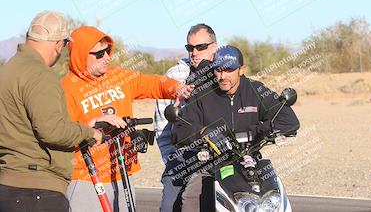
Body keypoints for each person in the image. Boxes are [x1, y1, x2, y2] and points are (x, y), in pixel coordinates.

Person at [60, 26, 193, 212]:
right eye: (99, 54)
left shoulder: (118, 77)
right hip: (86, 177)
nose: (107, 57)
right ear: (81, 55)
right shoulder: (66, 88)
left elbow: (153, 83)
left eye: (108, 51)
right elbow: (61, 132)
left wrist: (177, 88)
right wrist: (93, 123)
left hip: (122, 172)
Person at [0, 11, 114, 212]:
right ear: (58, 44)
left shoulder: (7, 70)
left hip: (8, 185)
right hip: (38, 192)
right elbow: (52, 131)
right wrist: (89, 132)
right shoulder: (40, 75)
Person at [171, 45, 300, 212]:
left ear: (241, 69)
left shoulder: (256, 90)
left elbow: (289, 122)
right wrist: (204, 132)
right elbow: (179, 130)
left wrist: (259, 130)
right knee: (191, 198)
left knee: (276, 199)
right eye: (218, 70)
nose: (223, 76)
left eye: (229, 70)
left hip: (252, 162)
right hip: (211, 166)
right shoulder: (202, 94)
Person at [154, 23, 218, 212]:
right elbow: (161, 126)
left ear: (214, 47)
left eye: (201, 47)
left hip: (218, 157)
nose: (194, 52)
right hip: (182, 157)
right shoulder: (174, 76)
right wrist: (172, 161)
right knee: (169, 207)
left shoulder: (223, 73)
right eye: (190, 48)